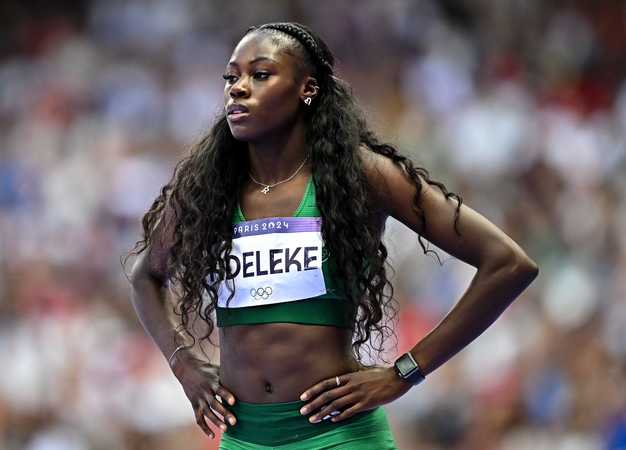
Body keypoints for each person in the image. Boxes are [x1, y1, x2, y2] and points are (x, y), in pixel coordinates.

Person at [127, 22, 538, 449]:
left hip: (339, 435)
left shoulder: (360, 174)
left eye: (260, 74)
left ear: (308, 88)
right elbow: (145, 276)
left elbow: (508, 263)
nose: (238, 88)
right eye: (232, 77)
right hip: (245, 438)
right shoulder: (208, 186)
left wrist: (406, 372)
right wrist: (183, 364)